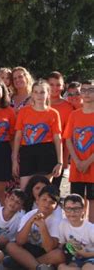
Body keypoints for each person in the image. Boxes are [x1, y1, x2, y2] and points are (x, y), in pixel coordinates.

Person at [12, 79, 63, 190]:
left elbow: (57, 138)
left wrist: (60, 162)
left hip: (46, 152)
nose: (39, 95)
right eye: (36, 92)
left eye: (42, 92)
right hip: (27, 151)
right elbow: (18, 136)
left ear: (48, 94)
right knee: (24, 190)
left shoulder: (53, 113)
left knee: (43, 191)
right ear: (32, 94)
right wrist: (14, 159)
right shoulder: (24, 111)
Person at [5, 185, 64, 269]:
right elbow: (19, 241)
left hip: (44, 253)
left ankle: (25, 264)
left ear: (56, 207)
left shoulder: (57, 220)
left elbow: (49, 248)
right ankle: (37, 267)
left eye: (52, 202)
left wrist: (42, 226)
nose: (47, 204)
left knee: (59, 255)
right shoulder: (28, 215)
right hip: (27, 250)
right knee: (10, 246)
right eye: (44, 199)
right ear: (37, 200)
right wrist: (30, 221)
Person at [64, 80, 94, 223]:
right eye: (84, 90)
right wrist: (76, 161)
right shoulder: (74, 115)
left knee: (92, 202)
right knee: (76, 202)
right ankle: (76, 236)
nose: (87, 93)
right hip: (77, 167)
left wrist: (87, 161)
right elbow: (68, 138)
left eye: (91, 90)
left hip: (92, 165)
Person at [56, 194, 94, 270]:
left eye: (76, 209)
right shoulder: (63, 224)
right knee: (61, 267)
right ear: (64, 209)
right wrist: (69, 246)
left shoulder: (90, 228)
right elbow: (61, 244)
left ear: (83, 209)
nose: (72, 213)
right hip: (75, 258)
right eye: (68, 209)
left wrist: (85, 254)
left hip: (91, 257)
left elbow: (85, 254)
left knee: (87, 267)